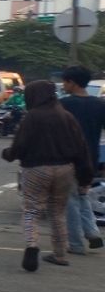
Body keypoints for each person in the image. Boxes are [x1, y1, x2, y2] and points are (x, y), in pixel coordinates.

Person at [2, 80, 95, 271]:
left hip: (35, 169)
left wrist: (8, 155)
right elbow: (81, 147)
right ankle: (60, 254)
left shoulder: (32, 117)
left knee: (31, 210)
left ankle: (31, 246)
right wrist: (85, 176)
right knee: (57, 212)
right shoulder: (66, 116)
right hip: (64, 169)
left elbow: (20, 145)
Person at [59, 65, 105, 254]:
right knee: (82, 194)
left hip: (68, 158)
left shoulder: (64, 104)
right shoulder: (100, 104)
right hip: (91, 158)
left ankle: (76, 243)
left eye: (65, 81)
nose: (63, 85)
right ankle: (92, 232)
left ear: (72, 82)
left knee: (70, 201)